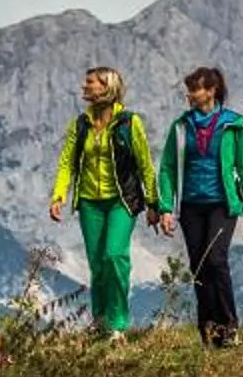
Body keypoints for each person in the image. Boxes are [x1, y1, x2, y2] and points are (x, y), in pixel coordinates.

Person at [49, 66, 163, 337]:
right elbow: (67, 162)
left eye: (91, 83)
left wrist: (153, 202)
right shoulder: (80, 124)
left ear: (107, 88)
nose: (84, 87)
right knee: (97, 264)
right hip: (90, 202)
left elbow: (144, 164)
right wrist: (59, 195)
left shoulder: (129, 122)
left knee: (114, 256)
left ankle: (119, 325)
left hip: (121, 201)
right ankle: (100, 324)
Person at [157, 65, 243, 346]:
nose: (189, 95)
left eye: (195, 89)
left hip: (223, 204)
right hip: (190, 205)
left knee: (216, 260)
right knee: (199, 267)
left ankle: (229, 327)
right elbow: (167, 168)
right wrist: (166, 207)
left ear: (211, 91)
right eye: (189, 90)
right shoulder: (181, 127)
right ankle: (209, 332)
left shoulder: (233, 125)